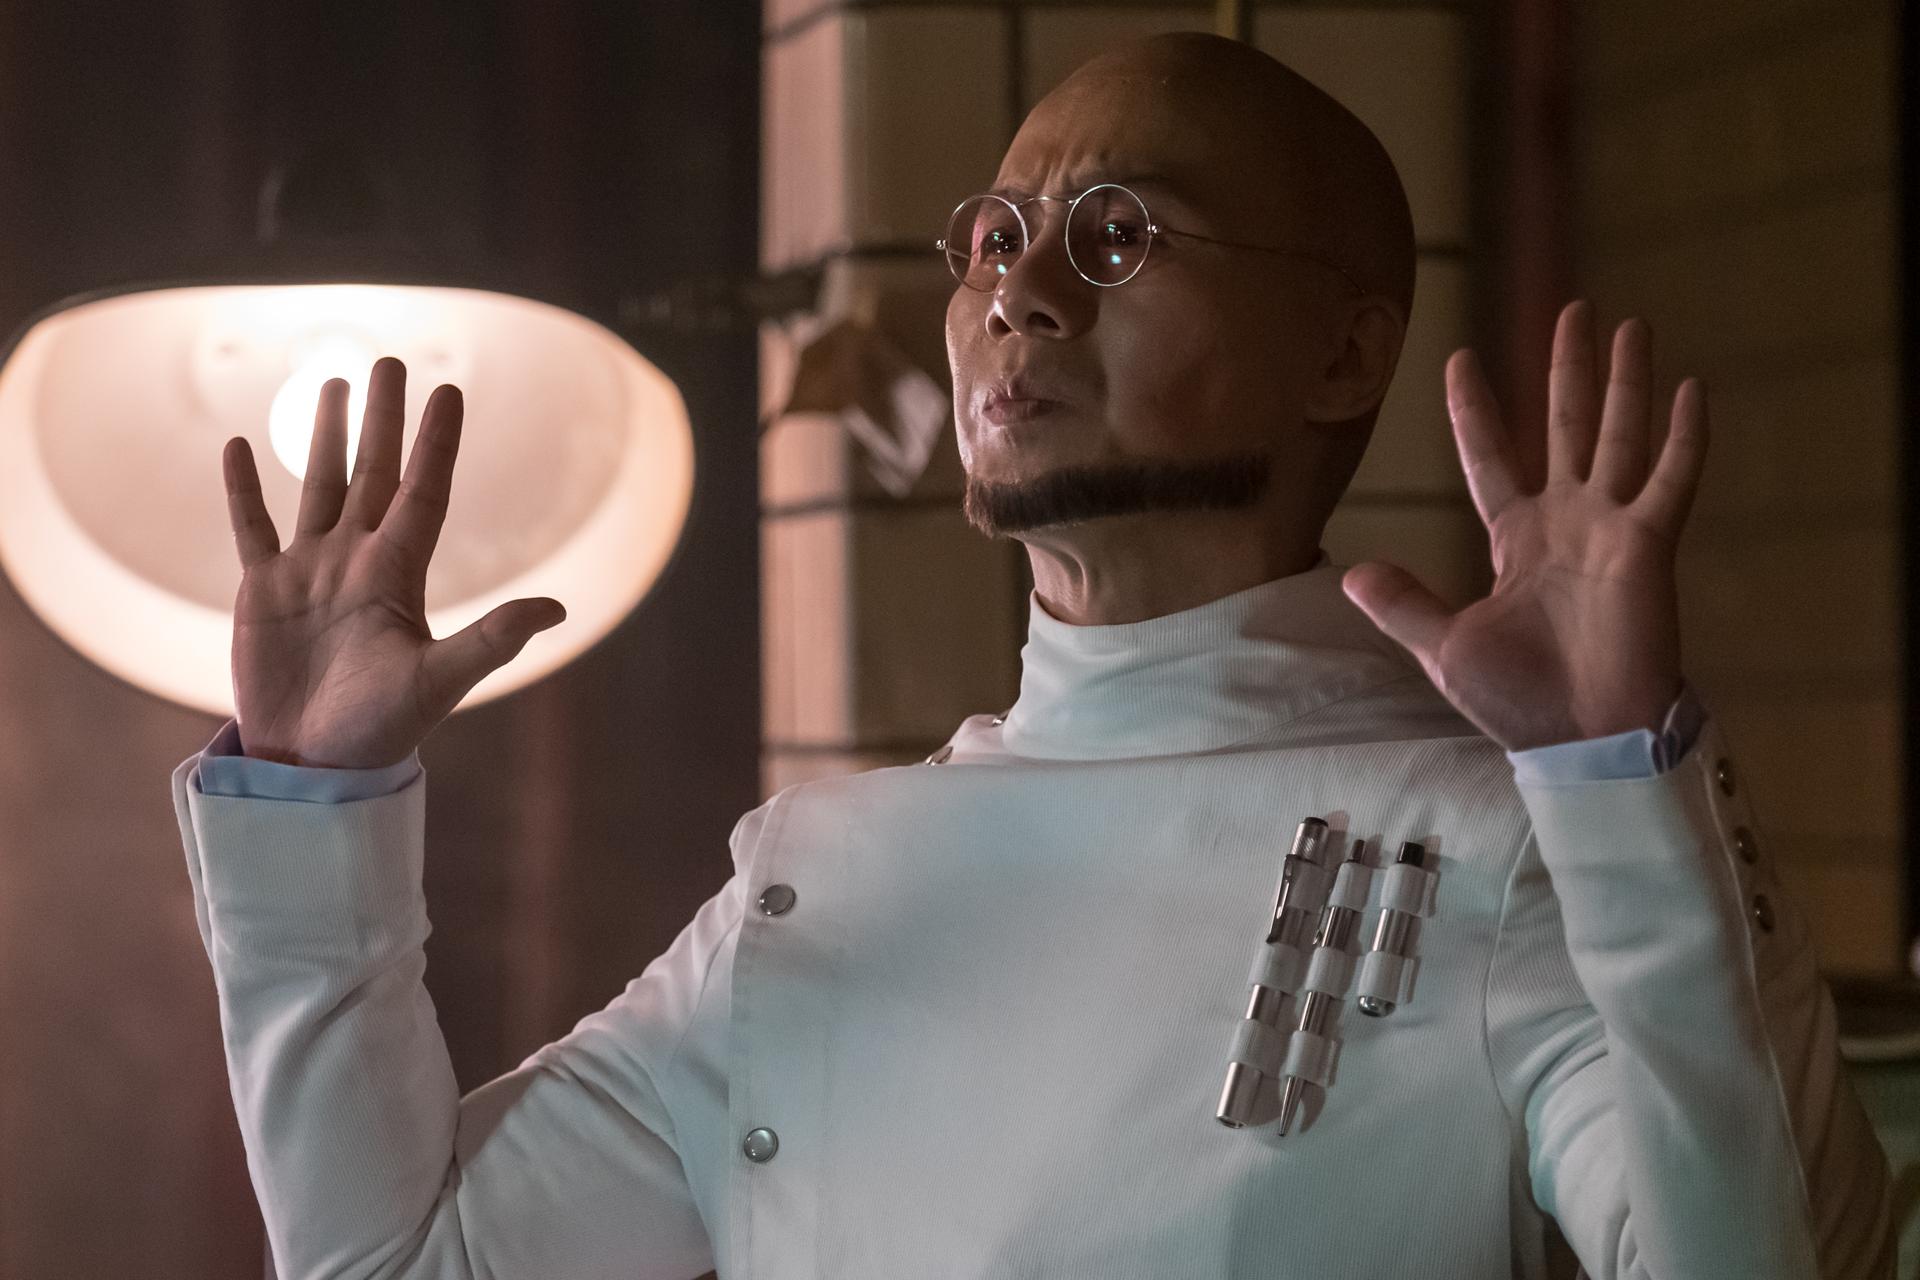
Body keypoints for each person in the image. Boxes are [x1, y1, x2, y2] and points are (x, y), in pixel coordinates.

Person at [174, 30, 1894, 1280]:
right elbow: (403, 1260)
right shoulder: (821, 879)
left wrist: (1618, 778)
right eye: (995, 237)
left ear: (1343, 352)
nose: (1021, 295)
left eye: (1118, 235)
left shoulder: (1500, 843)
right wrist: (320, 801)